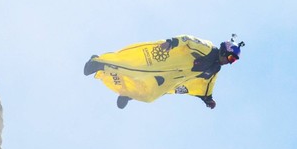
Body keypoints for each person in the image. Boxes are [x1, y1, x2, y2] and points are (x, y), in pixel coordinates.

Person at [83, 35, 243, 109]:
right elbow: (188, 40)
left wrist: (208, 99)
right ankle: (98, 63)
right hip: (166, 59)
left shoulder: (214, 69)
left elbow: (207, 84)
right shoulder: (208, 48)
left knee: (149, 96)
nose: (229, 62)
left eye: (233, 61)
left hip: (170, 77)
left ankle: (128, 93)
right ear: (224, 50)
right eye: (230, 57)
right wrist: (172, 42)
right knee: (133, 66)